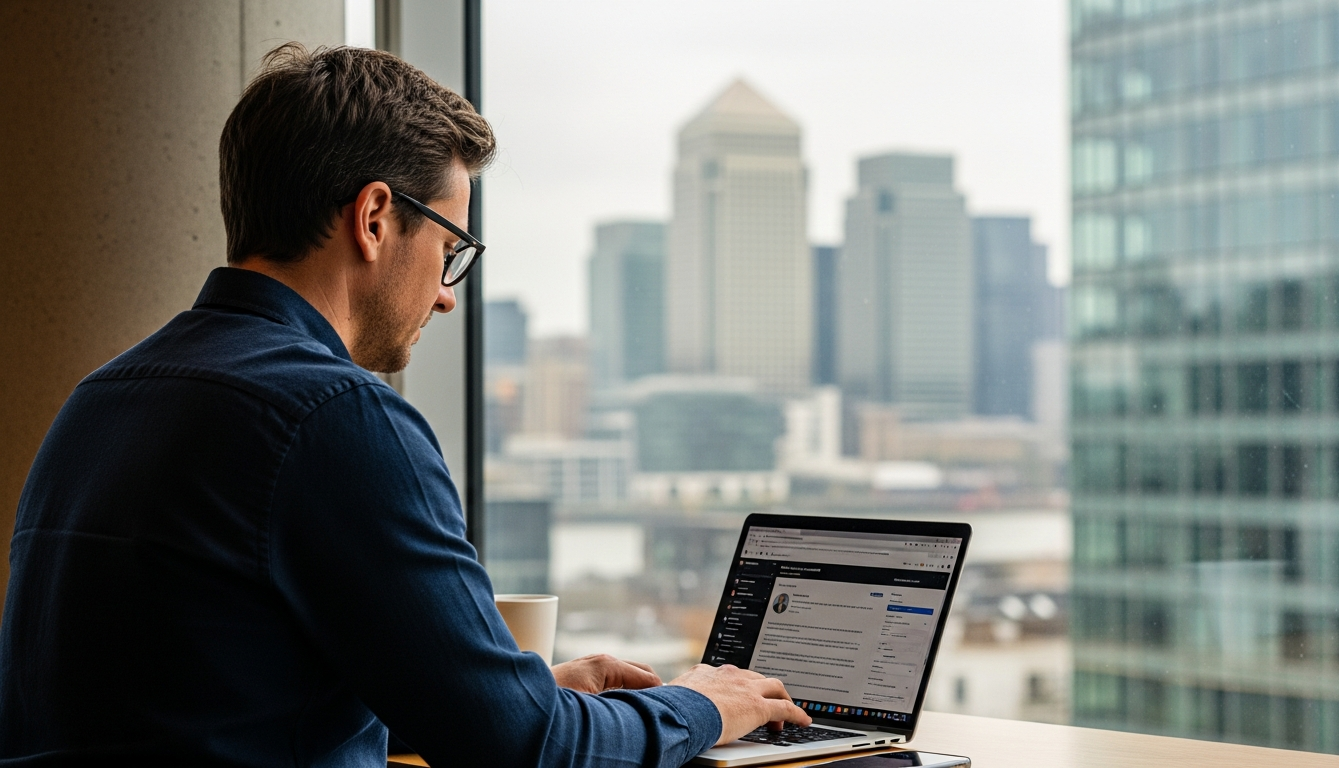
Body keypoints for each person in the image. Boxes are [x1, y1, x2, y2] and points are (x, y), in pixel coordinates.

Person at [0, 44, 807, 767]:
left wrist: (506, 692)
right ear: (376, 217)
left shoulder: (99, 401)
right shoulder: (335, 416)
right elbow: (529, 754)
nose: (448, 298)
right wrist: (705, 704)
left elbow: (203, 710)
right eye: (450, 250)